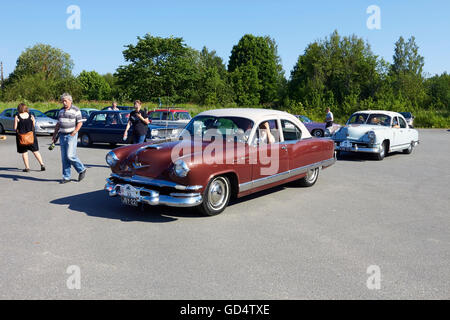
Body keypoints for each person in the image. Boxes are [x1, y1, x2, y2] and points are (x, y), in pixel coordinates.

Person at [52, 93, 87, 184]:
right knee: (64, 158)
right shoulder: (60, 111)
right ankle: (66, 177)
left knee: (70, 155)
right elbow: (58, 124)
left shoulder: (76, 110)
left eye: (65, 101)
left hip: (71, 135)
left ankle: (81, 169)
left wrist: (75, 132)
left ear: (70, 101)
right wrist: (54, 135)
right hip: (62, 135)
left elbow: (80, 123)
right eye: (62, 101)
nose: (64, 103)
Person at [14, 103, 45, 172]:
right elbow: (33, 125)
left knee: (24, 152)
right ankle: (42, 164)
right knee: (35, 151)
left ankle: (27, 168)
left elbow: (15, 128)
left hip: (22, 137)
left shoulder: (17, 116)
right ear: (26, 108)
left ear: (19, 109)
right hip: (31, 136)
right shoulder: (31, 116)